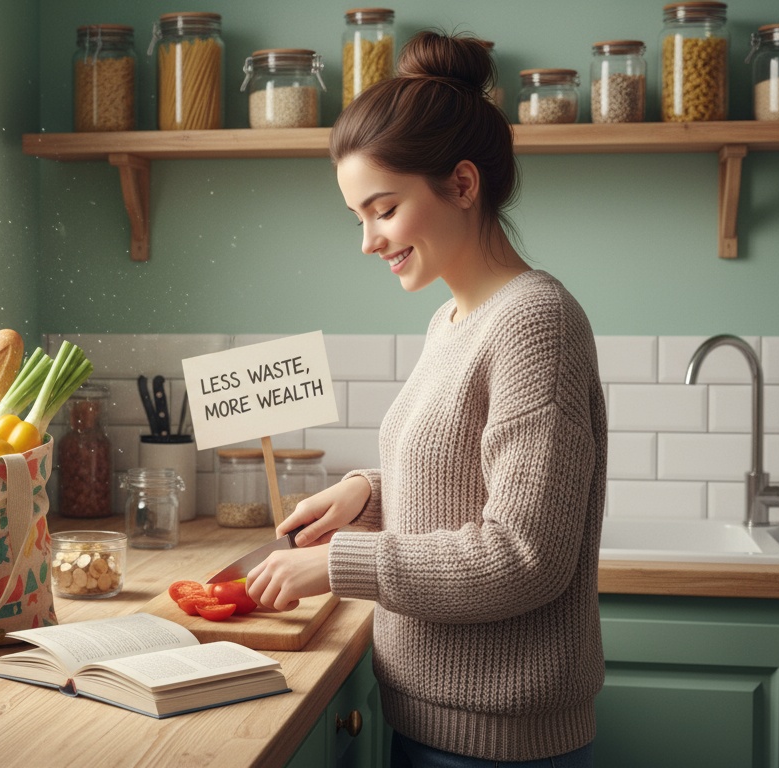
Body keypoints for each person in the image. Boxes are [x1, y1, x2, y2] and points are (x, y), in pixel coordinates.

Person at [244, 30, 607, 768]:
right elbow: (457, 482)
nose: (368, 241)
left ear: (463, 186)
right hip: (425, 717)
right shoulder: (452, 320)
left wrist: (339, 564)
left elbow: (522, 556)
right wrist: (361, 495)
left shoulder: (537, 321)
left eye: (382, 209)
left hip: (502, 746)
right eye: (358, 218)